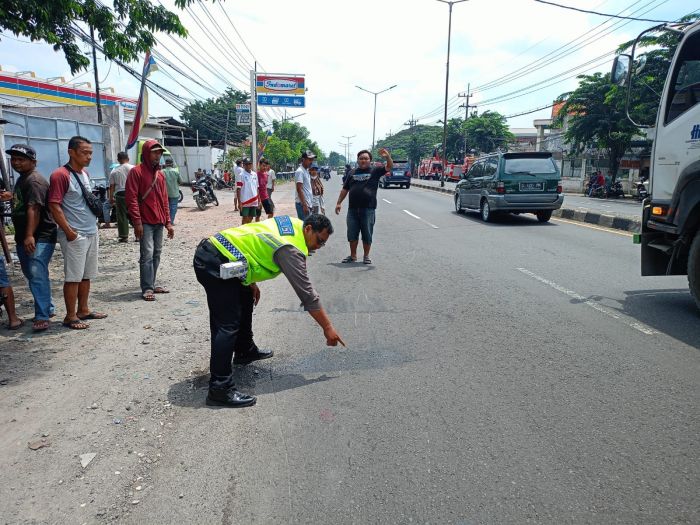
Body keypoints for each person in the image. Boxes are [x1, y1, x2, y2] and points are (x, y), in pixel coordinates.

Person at [193, 214, 345, 407]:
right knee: (226, 325)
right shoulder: (290, 247)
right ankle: (219, 389)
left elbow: (253, 244)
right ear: (308, 229)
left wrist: (251, 281)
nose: (318, 247)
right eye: (319, 241)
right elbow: (307, 294)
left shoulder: (293, 224)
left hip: (223, 254)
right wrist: (328, 327)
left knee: (246, 297)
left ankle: (244, 350)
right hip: (215, 262)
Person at [48, 136, 107, 330]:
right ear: (71, 152)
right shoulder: (60, 175)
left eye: (90, 153)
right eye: (85, 152)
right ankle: (70, 316)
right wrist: (69, 232)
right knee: (73, 276)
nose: (89, 156)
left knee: (86, 274)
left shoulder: (85, 174)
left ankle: (83, 309)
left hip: (90, 231)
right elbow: (54, 206)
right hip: (75, 234)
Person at [6, 144, 57, 331]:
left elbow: (33, 208)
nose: (16, 163)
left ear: (33, 162)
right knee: (33, 273)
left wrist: (29, 235)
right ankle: (48, 307)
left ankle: (42, 315)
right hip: (25, 236)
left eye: (21, 159)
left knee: (36, 273)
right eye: (14, 159)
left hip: (39, 236)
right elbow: (24, 201)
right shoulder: (23, 179)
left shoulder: (34, 180)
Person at [125, 140, 175, 302]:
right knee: (147, 254)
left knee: (157, 253)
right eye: (154, 152)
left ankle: (152, 284)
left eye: (159, 152)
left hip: (159, 220)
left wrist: (168, 222)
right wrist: (137, 222)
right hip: (145, 221)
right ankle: (147, 287)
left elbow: (164, 199)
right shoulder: (136, 172)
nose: (157, 155)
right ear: (146, 153)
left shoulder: (160, 175)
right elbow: (131, 198)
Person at [335, 148, 393, 265]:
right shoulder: (351, 173)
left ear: (370, 160)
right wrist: (339, 202)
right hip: (352, 209)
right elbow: (345, 189)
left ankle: (366, 256)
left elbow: (389, 167)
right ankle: (353, 256)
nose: (363, 160)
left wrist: (387, 157)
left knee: (367, 233)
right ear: (357, 160)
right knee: (352, 233)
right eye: (361, 158)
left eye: (366, 158)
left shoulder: (375, 170)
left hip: (368, 209)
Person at [109, 151, 133, 242]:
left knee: (122, 215)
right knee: (135, 213)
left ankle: (124, 236)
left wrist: (111, 197)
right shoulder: (133, 168)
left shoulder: (114, 171)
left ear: (118, 160)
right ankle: (139, 234)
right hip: (132, 193)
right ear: (128, 158)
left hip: (120, 194)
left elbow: (112, 186)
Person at [236, 158, 260, 225]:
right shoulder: (241, 175)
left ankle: (247, 231)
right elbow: (238, 189)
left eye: (250, 164)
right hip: (245, 201)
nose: (248, 165)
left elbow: (257, 188)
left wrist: (259, 200)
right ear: (243, 165)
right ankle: (243, 232)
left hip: (254, 200)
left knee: (251, 217)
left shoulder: (254, 174)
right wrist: (239, 202)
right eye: (246, 164)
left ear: (252, 164)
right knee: (245, 218)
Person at [295, 150, 315, 220]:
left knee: (307, 227)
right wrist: (304, 205)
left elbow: (307, 189)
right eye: (309, 159)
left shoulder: (306, 170)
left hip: (307, 204)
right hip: (302, 205)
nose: (311, 161)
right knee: (305, 228)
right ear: (303, 159)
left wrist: (310, 204)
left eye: (312, 159)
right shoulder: (300, 171)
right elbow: (299, 189)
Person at [162, 158, 180, 225]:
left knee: (165, 207)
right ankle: (170, 222)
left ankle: (165, 221)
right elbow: (181, 181)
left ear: (165, 164)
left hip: (164, 193)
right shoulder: (176, 172)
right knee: (173, 207)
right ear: (172, 163)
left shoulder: (161, 172)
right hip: (174, 193)